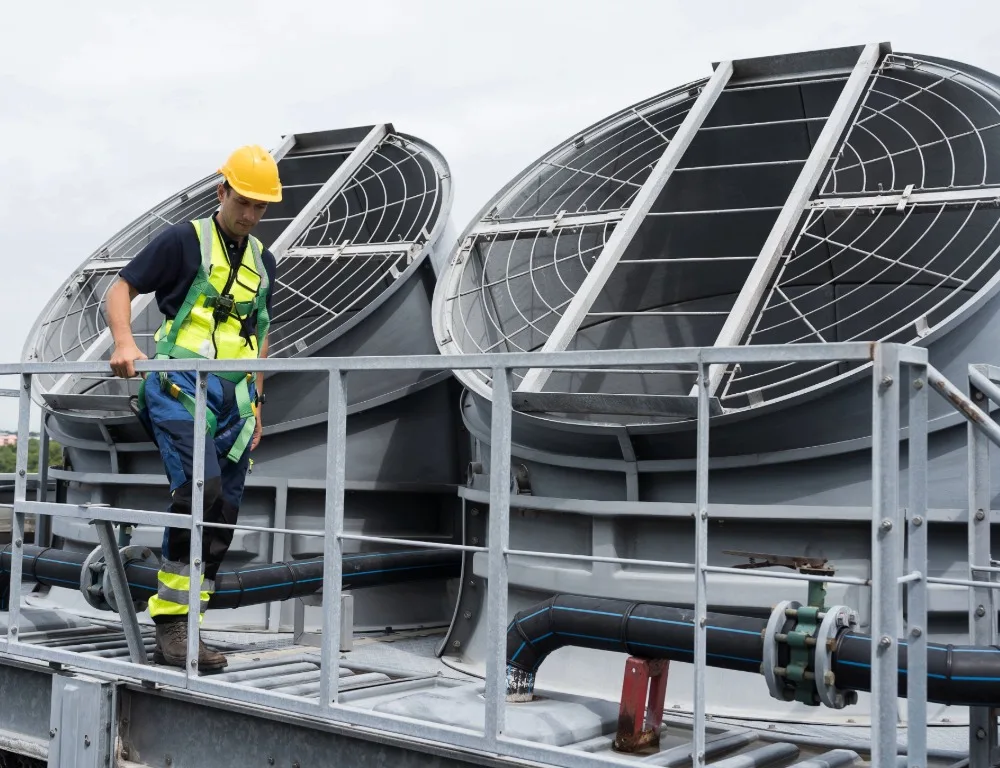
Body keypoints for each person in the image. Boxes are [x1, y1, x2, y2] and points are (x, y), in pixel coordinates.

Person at [105, 144, 281, 671]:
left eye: (260, 207)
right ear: (222, 191)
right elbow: (121, 288)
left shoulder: (262, 260)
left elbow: (261, 332)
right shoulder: (185, 240)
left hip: (237, 401)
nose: (250, 215)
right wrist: (123, 342)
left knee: (223, 514)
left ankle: (191, 623)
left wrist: (259, 400)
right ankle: (171, 625)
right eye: (243, 201)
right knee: (199, 494)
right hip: (181, 385)